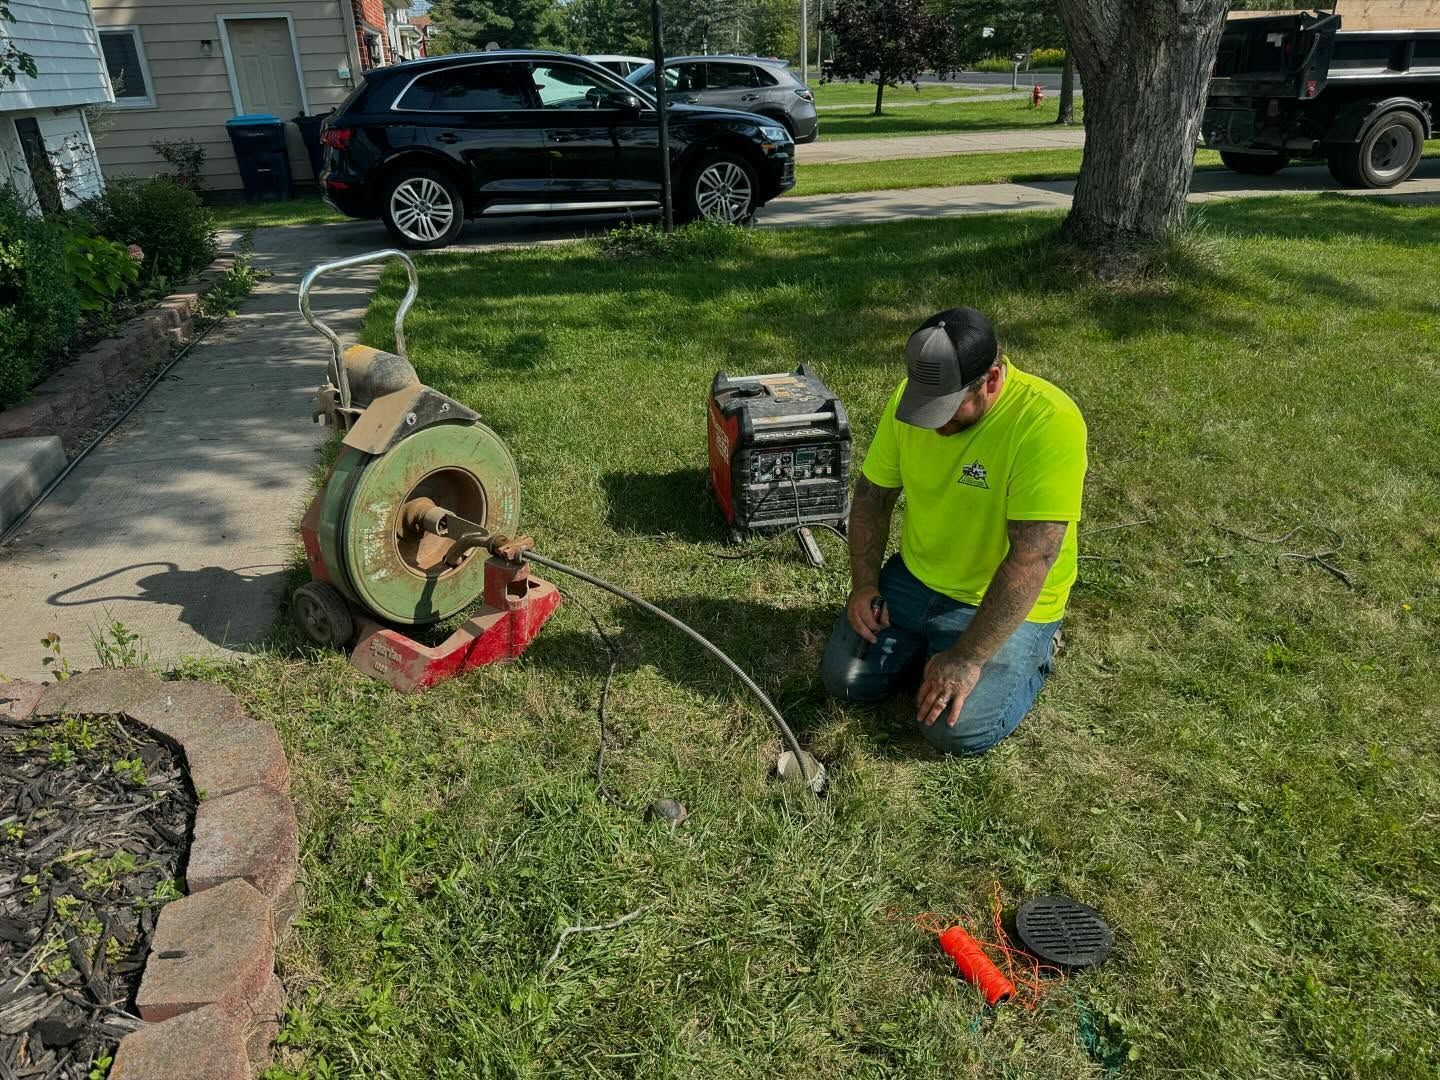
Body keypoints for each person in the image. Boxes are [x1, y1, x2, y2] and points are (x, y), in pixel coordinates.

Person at [820, 307, 1087, 755]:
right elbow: (872, 496)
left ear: (993, 380)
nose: (935, 423)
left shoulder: (1047, 422)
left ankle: (1038, 649)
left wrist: (967, 659)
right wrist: (864, 586)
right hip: (916, 577)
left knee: (952, 731)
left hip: (1001, 596)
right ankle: (930, 649)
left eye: (948, 409)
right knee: (844, 682)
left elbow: (1032, 557)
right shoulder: (909, 400)